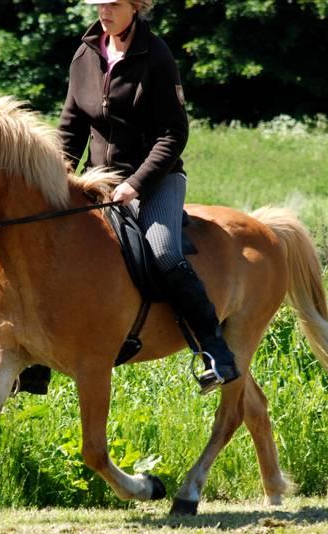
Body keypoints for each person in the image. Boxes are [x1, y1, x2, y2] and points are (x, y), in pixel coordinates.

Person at [56, 0, 240, 394]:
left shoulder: (156, 55)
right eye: (99, 4)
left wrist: (135, 184)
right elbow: (71, 125)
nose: (104, 11)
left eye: (113, 4)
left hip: (156, 181)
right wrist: (58, 176)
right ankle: (38, 355)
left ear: (135, 7)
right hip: (98, 180)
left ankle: (214, 351)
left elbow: (174, 134)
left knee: (163, 251)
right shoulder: (86, 53)